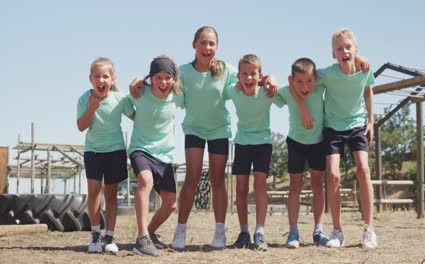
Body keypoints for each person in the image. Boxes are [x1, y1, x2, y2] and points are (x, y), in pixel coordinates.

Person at [129, 26, 277, 250]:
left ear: (216, 47)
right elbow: (162, 83)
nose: (207, 47)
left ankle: (220, 234)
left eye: (212, 44)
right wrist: (139, 80)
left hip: (219, 130)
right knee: (192, 178)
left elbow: (250, 80)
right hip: (194, 131)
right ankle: (180, 232)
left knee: (218, 180)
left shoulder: (226, 70)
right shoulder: (184, 72)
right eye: (203, 43)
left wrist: (271, 78)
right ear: (194, 45)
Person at [296, 29, 377, 250]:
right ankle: (337, 230)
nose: (345, 51)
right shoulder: (327, 74)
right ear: (333, 54)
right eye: (339, 48)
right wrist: (302, 107)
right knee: (332, 175)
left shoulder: (364, 69)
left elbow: (368, 89)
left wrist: (371, 121)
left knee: (363, 169)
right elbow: (302, 76)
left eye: (348, 47)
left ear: (356, 50)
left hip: (357, 126)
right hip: (333, 127)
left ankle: (369, 229)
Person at [77, 57, 135, 253]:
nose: (101, 80)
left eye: (105, 76)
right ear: (90, 79)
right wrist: (92, 108)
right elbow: (81, 126)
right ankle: (95, 234)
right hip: (93, 151)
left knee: (111, 194)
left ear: (113, 79)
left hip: (116, 151)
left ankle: (109, 236)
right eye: (97, 76)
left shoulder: (120, 99)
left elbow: (137, 116)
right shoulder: (85, 99)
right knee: (94, 192)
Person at [127, 56, 184, 256]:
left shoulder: (178, 96)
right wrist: (133, 83)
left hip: (164, 155)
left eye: (168, 77)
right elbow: (125, 104)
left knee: (170, 203)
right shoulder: (140, 93)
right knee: (145, 180)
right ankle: (142, 239)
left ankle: (149, 233)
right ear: (151, 78)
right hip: (140, 149)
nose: (163, 82)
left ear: (174, 79)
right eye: (158, 77)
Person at [225, 54, 281, 251]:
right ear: (239, 76)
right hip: (241, 144)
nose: (249, 78)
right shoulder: (233, 92)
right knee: (240, 189)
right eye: (244, 74)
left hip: (262, 144)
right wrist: (236, 82)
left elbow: (285, 97)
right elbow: (225, 82)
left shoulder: (268, 93)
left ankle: (259, 232)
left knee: (259, 187)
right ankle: (243, 232)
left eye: (253, 74)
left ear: (260, 76)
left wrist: (271, 78)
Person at [275, 58, 329, 248]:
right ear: (292, 80)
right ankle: (293, 232)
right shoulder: (287, 90)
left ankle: (319, 229)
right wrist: (270, 80)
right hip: (296, 142)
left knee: (317, 185)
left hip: (318, 142)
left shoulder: (321, 87)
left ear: (316, 78)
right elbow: (271, 92)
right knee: (295, 186)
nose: (305, 86)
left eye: (309, 81)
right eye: (299, 81)